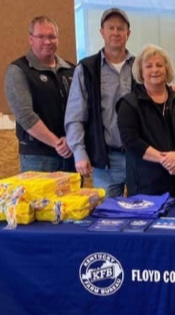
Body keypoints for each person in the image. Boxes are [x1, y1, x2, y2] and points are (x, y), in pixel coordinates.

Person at [65, 8, 134, 197]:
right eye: (110, 28)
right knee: (107, 219)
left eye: (121, 28)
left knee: (142, 215)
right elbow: (75, 115)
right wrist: (79, 152)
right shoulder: (86, 69)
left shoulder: (139, 67)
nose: (116, 33)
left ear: (128, 33)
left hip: (138, 158)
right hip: (106, 161)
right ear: (101, 32)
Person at [117, 44, 175, 198]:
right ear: (141, 72)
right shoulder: (129, 103)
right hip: (145, 184)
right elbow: (131, 141)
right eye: (148, 66)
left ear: (167, 69)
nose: (154, 70)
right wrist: (167, 160)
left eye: (159, 65)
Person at [5, 16, 75, 172]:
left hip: (70, 153)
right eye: (41, 37)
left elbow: (80, 110)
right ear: (31, 39)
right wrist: (57, 143)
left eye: (52, 37)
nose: (47, 41)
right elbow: (25, 116)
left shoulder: (72, 70)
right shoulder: (18, 71)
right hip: (38, 158)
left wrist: (70, 140)